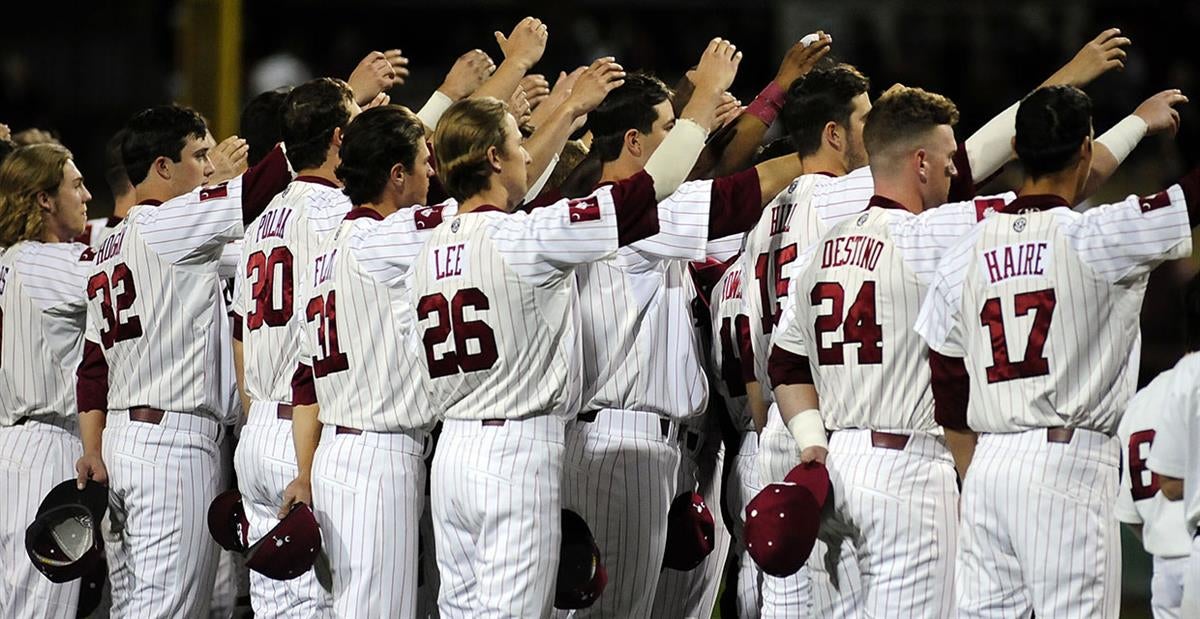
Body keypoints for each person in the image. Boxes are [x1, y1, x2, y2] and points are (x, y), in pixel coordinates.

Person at [410, 38, 740, 617]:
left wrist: (563, 112)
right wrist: (703, 99)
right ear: (493, 158)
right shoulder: (530, 236)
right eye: (518, 144)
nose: (528, 157)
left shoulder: (421, 238)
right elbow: (649, 189)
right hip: (516, 451)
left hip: (452, 453)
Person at [915, 84, 1196, 619]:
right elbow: (1189, 202)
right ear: (1085, 150)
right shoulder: (1097, 235)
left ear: (1017, 148)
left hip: (988, 465)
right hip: (1067, 463)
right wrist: (1139, 122)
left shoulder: (966, 251)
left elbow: (946, 378)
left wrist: (979, 473)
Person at [73, 104, 291, 617]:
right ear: (162, 168)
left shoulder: (110, 244)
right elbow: (265, 185)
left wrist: (93, 449)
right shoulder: (168, 223)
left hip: (122, 443)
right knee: (166, 611)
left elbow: (91, 366)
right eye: (198, 155)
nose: (209, 165)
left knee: (133, 606)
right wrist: (342, 100)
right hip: (172, 446)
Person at [0, 143, 94, 617]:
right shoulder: (48, 263)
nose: (87, 195)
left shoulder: (8, 260)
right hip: (44, 448)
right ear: (43, 200)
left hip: (7, 445)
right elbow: (134, 270)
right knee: (40, 606)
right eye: (75, 185)